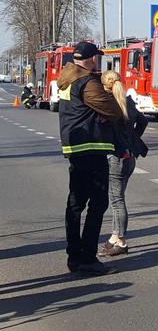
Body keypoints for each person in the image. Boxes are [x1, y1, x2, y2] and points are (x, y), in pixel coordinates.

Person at [57, 41, 124, 276]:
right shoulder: (86, 82)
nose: (96, 61)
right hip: (91, 149)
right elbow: (113, 110)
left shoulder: (67, 77)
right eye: (94, 57)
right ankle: (87, 258)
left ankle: (74, 255)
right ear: (88, 58)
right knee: (98, 204)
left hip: (76, 149)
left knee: (75, 204)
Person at [98, 70, 148, 257]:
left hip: (116, 157)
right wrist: (133, 140)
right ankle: (114, 237)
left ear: (104, 86)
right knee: (118, 198)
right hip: (130, 157)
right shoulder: (127, 101)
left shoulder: (108, 104)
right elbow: (143, 121)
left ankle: (121, 241)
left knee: (117, 201)